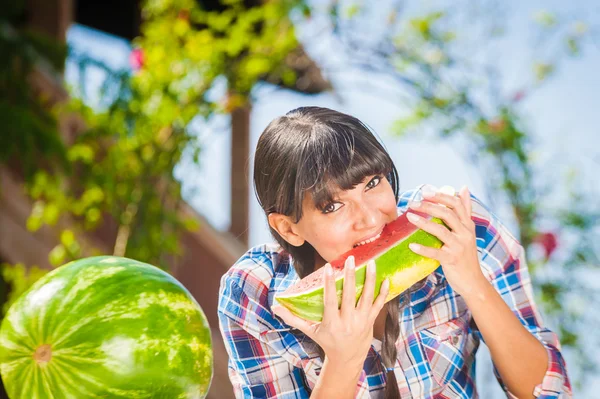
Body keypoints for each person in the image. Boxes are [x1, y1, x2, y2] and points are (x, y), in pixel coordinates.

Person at [217, 106, 571, 398]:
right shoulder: (254, 293)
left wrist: (473, 283)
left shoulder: (451, 226)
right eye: (332, 206)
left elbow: (548, 392)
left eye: (373, 183)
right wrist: (343, 360)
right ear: (289, 228)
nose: (370, 218)